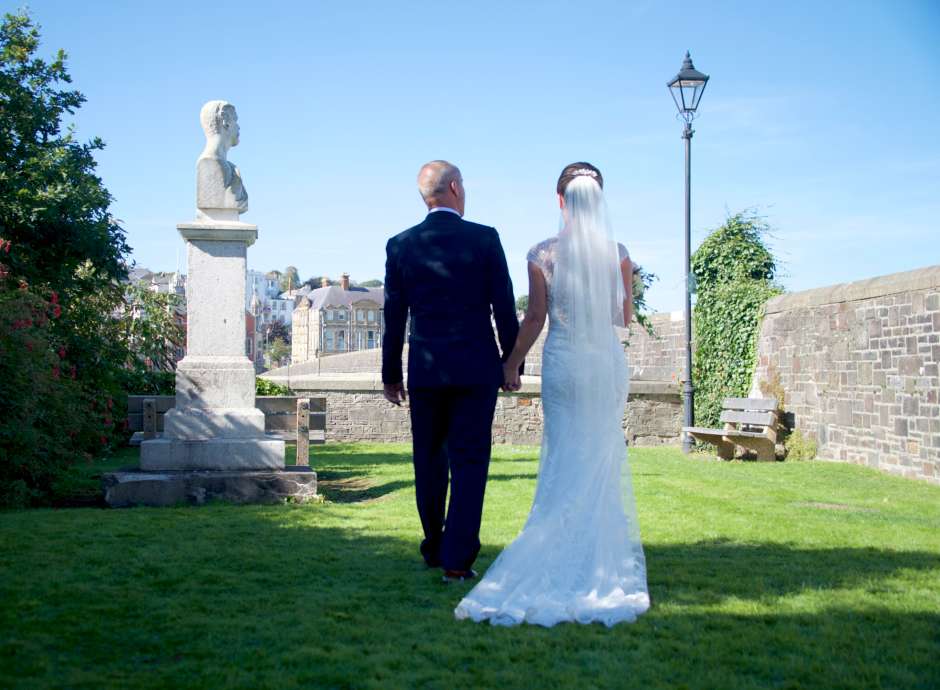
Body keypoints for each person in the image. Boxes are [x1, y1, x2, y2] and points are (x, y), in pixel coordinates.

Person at [454, 162, 650, 626]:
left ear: (560, 200)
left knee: (563, 457)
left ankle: (559, 551)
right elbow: (622, 318)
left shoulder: (543, 253)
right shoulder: (618, 253)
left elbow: (536, 318)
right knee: (601, 456)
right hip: (604, 364)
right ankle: (600, 560)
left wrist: (510, 363)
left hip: (564, 363)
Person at [382, 160, 521, 582]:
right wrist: (511, 362)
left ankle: (433, 547)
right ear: (456, 188)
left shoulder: (401, 244)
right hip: (477, 369)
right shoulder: (484, 238)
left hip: (425, 371)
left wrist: (391, 375)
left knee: (427, 460)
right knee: (470, 462)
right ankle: (457, 560)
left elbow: (394, 315)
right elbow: (504, 305)